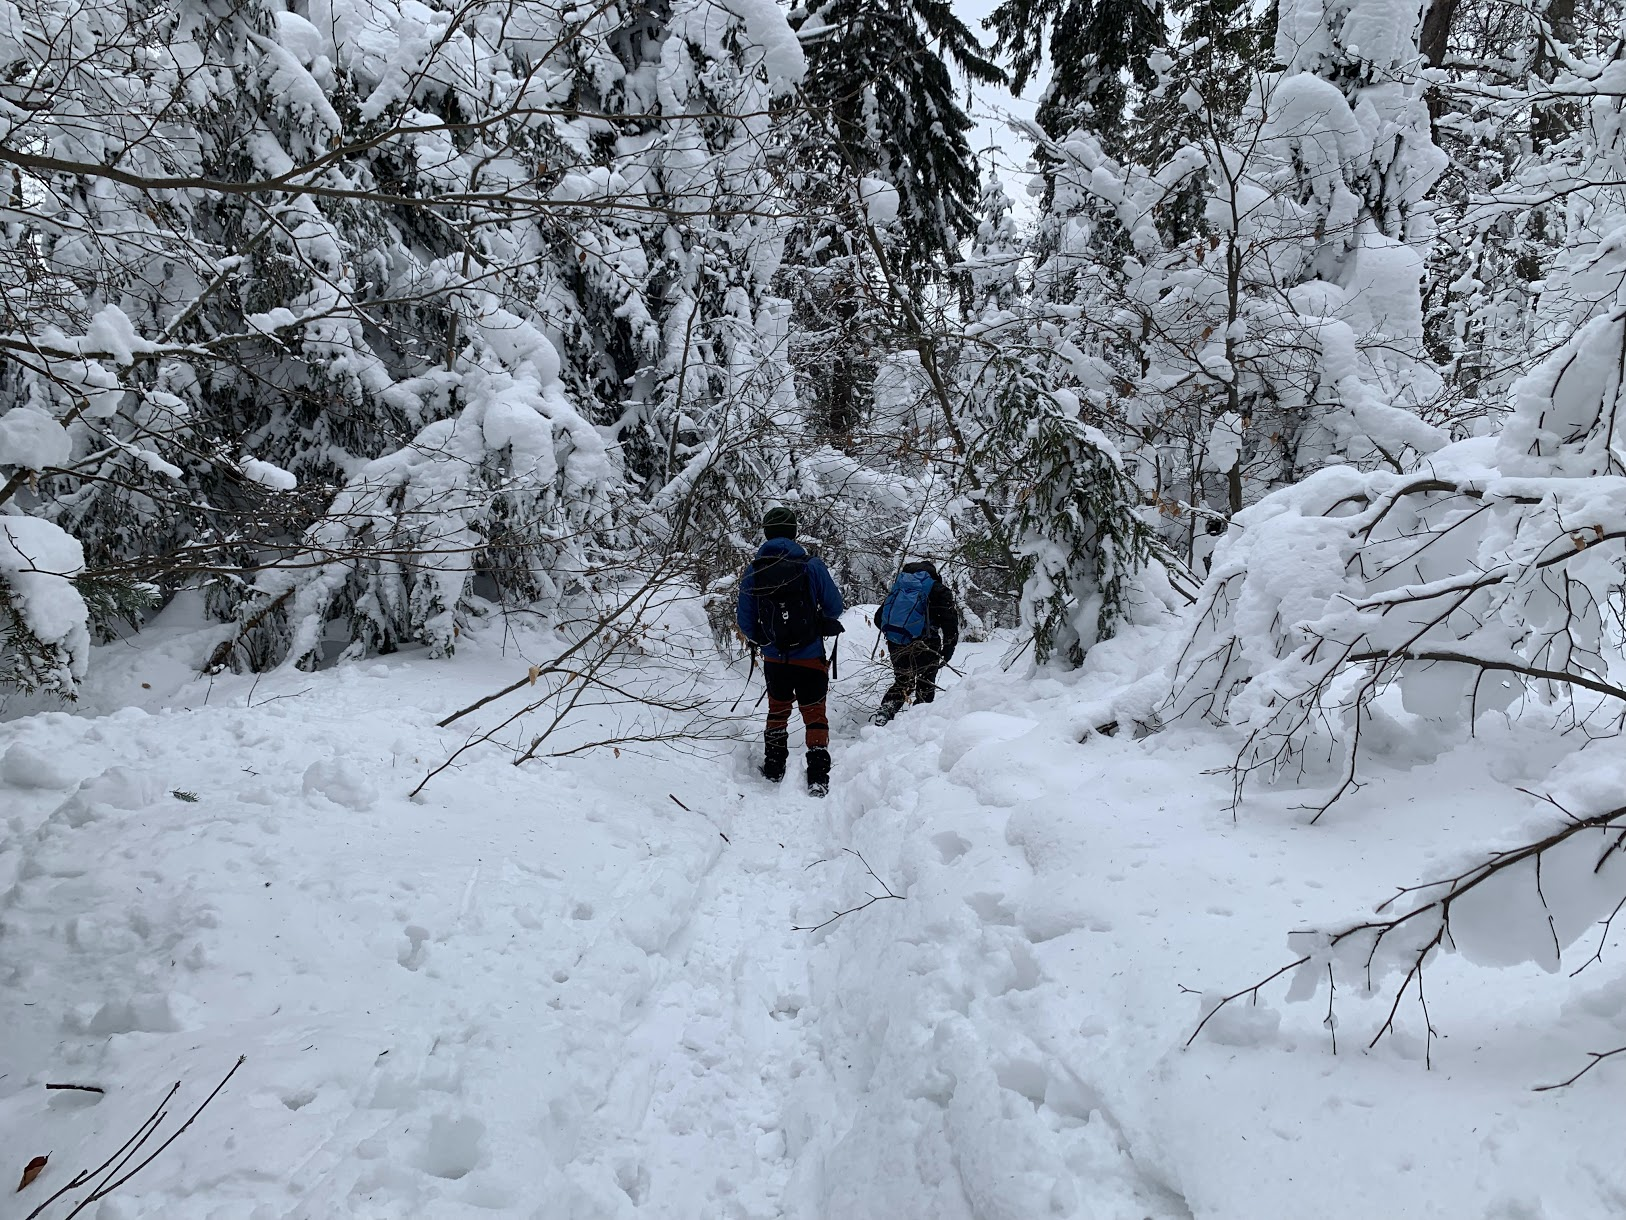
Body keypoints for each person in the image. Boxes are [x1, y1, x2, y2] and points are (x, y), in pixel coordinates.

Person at [736, 506, 845, 796]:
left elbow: (745, 619)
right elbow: (835, 608)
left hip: (775, 656)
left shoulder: (755, 570)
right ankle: (818, 775)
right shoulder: (812, 566)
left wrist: (764, 638)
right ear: (794, 532)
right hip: (810, 655)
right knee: (815, 713)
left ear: (767, 533)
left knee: (778, 710)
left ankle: (774, 767)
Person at [871, 559, 959, 726]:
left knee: (904, 679)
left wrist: (898, 633)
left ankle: (886, 711)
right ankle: (919, 722)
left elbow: (878, 619)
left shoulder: (900, 587)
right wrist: (948, 648)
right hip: (926, 643)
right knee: (925, 680)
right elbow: (950, 623)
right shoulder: (937, 590)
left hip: (896, 642)